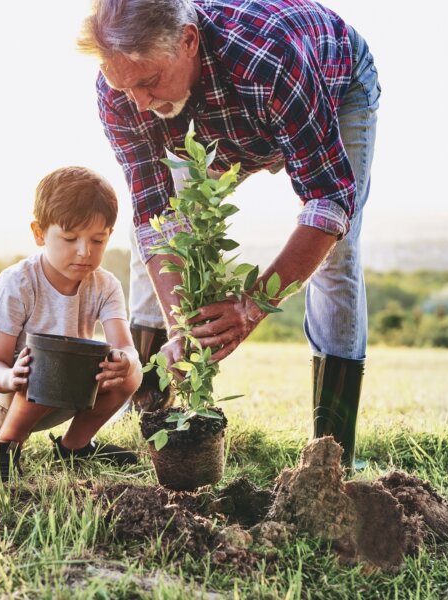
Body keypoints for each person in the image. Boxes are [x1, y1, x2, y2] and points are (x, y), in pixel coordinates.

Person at [78, 0, 381, 467]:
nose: (137, 101)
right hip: (223, 119)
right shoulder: (122, 91)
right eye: (124, 86)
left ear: (189, 42)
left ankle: (331, 453)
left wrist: (250, 306)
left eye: (149, 81)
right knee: (162, 238)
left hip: (330, 88)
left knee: (337, 255)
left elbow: (329, 201)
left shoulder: (270, 59)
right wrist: (182, 323)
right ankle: (153, 419)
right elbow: (154, 215)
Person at [0, 166, 143, 480]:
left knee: (132, 371)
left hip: (59, 389)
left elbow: (126, 347)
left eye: (97, 241)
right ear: (39, 233)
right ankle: (0, 451)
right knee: (49, 363)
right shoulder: (18, 283)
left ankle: (74, 447)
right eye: (70, 238)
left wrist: (126, 362)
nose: (84, 252)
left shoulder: (106, 285)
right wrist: (11, 377)